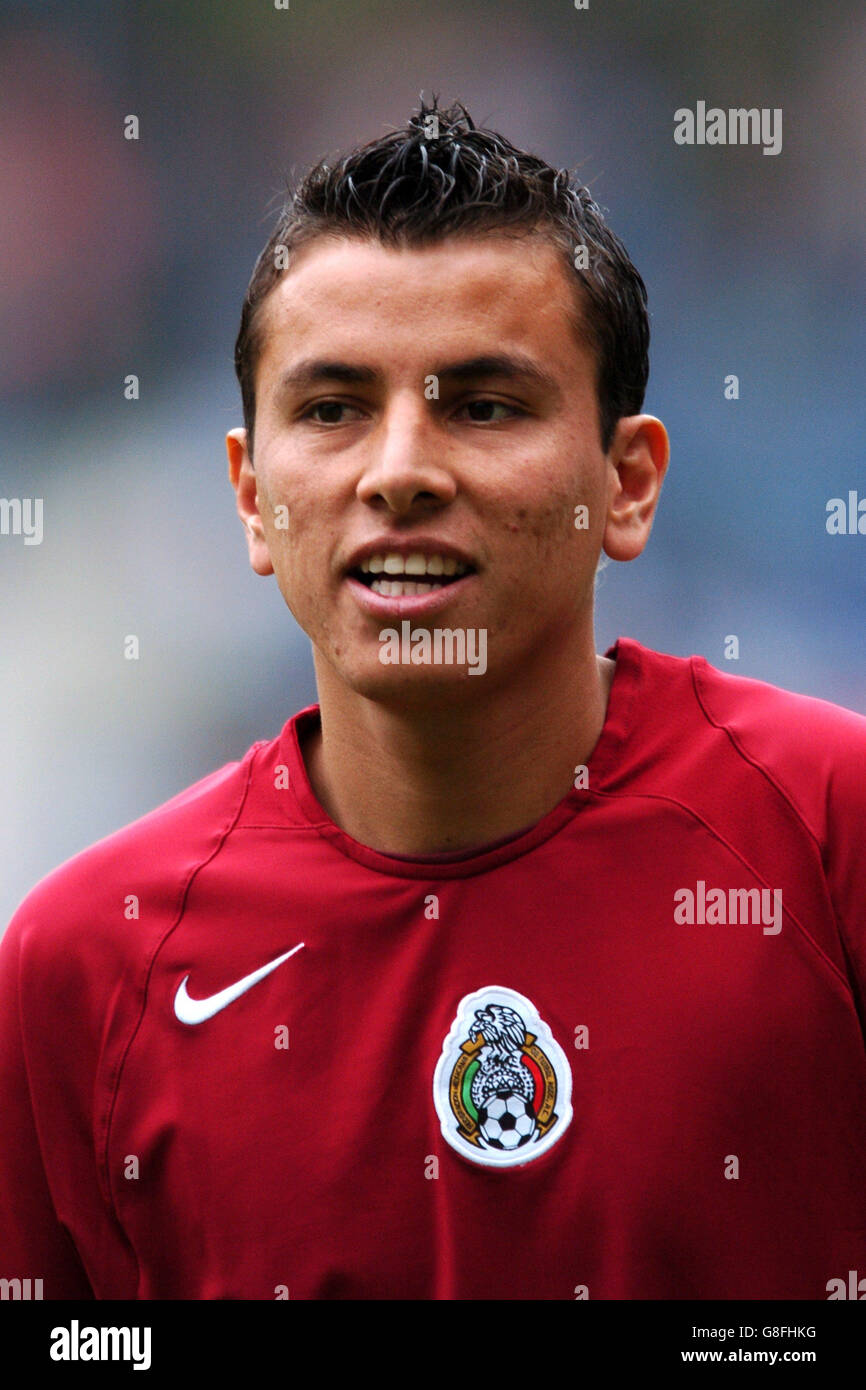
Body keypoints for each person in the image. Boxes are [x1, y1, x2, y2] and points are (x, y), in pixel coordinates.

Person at [2, 98, 865, 1302]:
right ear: (251, 496)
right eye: (332, 408)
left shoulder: (826, 834)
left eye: (483, 405)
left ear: (625, 485)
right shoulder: (84, 965)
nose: (399, 469)